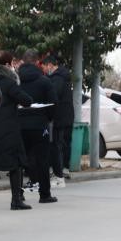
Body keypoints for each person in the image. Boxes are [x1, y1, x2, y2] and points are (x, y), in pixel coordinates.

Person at [0, 51, 33, 209]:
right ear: (7, 65)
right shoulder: (9, 82)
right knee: (16, 164)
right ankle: (16, 200)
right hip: (8, 130)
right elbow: (27, 100)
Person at [16, 50, 58, 204]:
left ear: (22, 61)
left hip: (19, 124)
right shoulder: (44, 81)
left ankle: (18, 195)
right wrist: (47, 118)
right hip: (40, 125)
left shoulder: (16, 80)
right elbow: (53, 103)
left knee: (19, 161)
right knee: (42, 160)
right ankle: (45, 194)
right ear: (37, 62)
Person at [42, 55, 75, 185]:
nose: (44, 71)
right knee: (64, 143)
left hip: (59, 116)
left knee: (56, 144)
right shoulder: (64, 76)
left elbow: (53, 96)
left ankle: (58, 172)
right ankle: (64, 168)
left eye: (44, 67)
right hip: (67, 115)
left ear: (50, 65)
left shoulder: (57, 79)